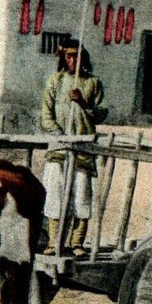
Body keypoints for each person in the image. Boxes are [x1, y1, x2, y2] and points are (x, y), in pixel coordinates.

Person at [39, 39, 106, 256]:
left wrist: (84, 103)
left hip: (83, 149)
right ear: (63, 58)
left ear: (83, 58)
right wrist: (61, 137)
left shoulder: (93, 83)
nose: (72, 60)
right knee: (55, 195)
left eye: (77, 56)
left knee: (81, 197)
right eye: (68, 56)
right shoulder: (54, 82)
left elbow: (101, 114)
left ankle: (77, 243)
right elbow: (46, 117)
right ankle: (53, 243)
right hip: (59, 149)